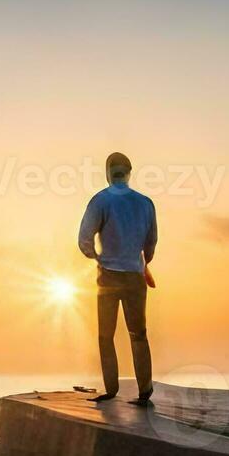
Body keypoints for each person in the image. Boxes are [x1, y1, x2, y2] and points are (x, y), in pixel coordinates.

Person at [77, 152, 157, 406]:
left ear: (108, 172)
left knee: (106, 335)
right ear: (129, 172)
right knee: (138, 333)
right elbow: (151, 243)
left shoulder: (101, 200)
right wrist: (144, 261)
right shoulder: (145, 203)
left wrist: (97, 258)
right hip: (135, 274)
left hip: (109, 276)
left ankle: (111, 389)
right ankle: (145, 391)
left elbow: (84, 239)